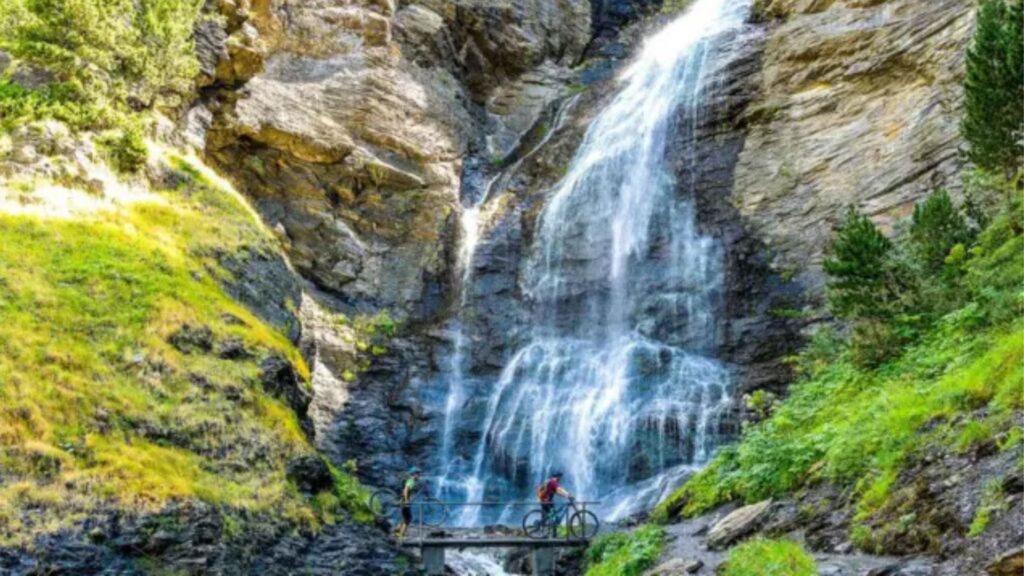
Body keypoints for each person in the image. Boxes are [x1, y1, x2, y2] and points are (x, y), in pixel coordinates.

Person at [396, 466, 421, 539]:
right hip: (405, 502)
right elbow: (405, 490)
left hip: (403, 501)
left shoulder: (410, 480)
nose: (419, 475)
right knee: (408, 519)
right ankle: (401, 536)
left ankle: (397, 531)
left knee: (404, 517)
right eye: (418, 474)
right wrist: (407, 500)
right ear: (414, 474)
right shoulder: (411, 481)